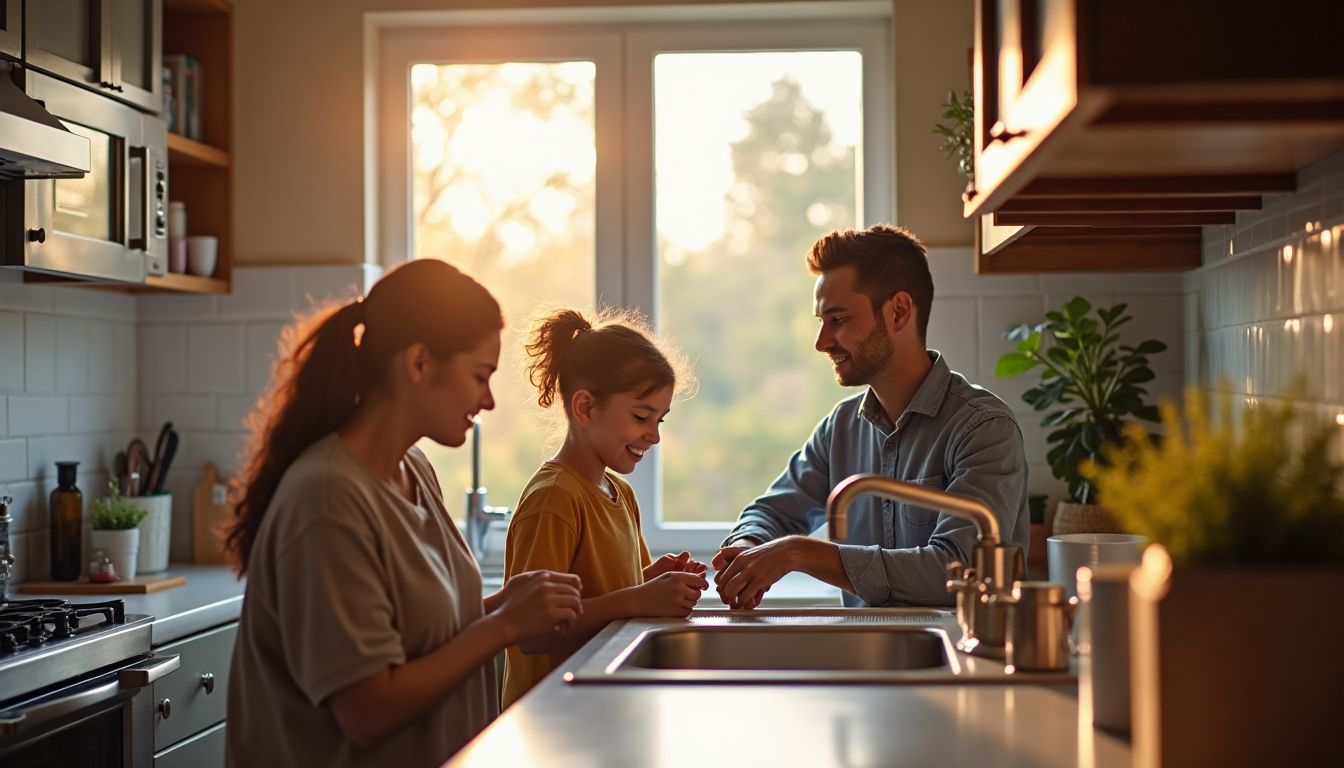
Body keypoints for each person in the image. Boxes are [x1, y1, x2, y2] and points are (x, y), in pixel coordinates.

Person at [224, 260, 585, 768]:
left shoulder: (413, 467)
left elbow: (421, 642)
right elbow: (368, 709)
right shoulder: (327, 498)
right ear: (418, 363)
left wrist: (506, 605)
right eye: (480, 375)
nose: (488, 400)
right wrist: (503, 626)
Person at [713, 224, 1029, 609]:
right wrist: (747, 547)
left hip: (961, 655)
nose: (822, 342)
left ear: (898, 312)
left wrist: (798, 553)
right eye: (821, 321)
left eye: (839, 319)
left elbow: (959, 570)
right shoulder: (840, 428)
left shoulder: (984, 428)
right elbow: (771, 512)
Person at [501, 308, 709, 708]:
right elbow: (531, 631)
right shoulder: (554, 498)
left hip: (600, 704)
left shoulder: (620, 493)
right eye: (641, 416)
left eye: (660, 420)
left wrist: (652, 580)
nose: (653, 435)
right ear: (585, 408)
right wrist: (640, 598)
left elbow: (605, 595)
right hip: (551, 715)